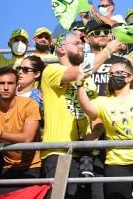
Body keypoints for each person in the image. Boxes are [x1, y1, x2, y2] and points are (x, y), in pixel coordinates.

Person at [76, 60, 133, 199]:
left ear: (129, 77)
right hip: (116, 161)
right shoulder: (103, 101)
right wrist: (79, 84)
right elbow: (89, 109)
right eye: (111, 74)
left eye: (119, 73)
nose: (114, 76)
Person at [41, 32, 101, 199]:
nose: (82, 46)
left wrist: (95, 134)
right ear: (61, 49)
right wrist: (109, 50)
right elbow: (82, 70)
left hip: (86, 155)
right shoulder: (51, 70)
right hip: (59, 152)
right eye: (76, 43)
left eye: (82, 43)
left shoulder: (89, 81)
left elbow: (97, 114)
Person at [0, 66, 41, 179]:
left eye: (10, 83)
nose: (6, 87)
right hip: (5, 165)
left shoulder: (30, 105)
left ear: (17, 85)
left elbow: (27, 138)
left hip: (33, 165)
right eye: (1, 83)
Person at [83, 19, 129, 96]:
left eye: (106, 32)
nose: (102, 35)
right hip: (89, 105)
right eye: (97, 33)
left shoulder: (122, 61)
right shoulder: (81, 61)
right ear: (87, 39)